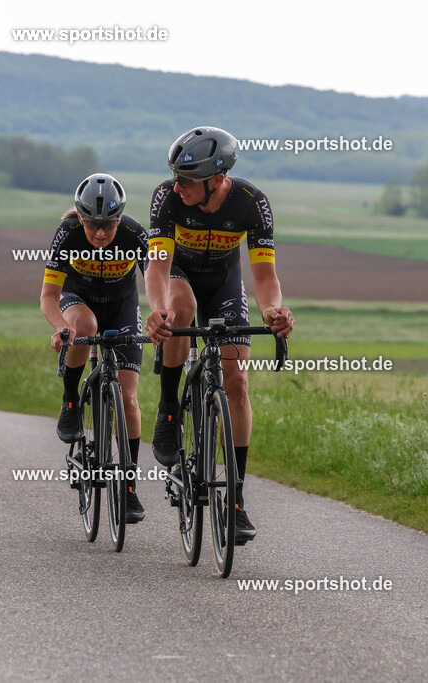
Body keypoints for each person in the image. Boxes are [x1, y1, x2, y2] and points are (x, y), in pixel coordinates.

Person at [145, 126, 294, 542]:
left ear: (218, 178)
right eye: (175, 176)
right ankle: (170, 407)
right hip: (179, 274)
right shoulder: (166, 199)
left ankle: (237, 500)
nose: (178, 187)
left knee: (237, 379)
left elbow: (265, 275)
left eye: (187, 180)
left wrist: (272, 311)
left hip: (225, 281)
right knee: (182, 308)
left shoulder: (251, 203)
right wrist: (157, 311)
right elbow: (156, 266)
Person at [40, 172, 148, 523]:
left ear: (120, 219)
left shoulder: (134, 234)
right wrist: (60, 328)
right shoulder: (68, 234)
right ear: (81, 218)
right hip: (79, 300)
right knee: (83, 327)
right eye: (93, 224)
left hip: (122, 305)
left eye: (108, 224)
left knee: (129, 398)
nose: (100, 233)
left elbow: (159, 281)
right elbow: (48, 297)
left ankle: (128, 486)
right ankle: (70, 400)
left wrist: (163, 317)